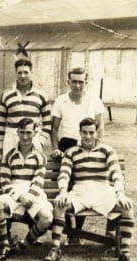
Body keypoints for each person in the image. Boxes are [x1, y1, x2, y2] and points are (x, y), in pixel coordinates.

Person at [45, 117, 137, 261]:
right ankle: (55, 248)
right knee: (59, 205)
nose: (88, 136)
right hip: (80, 190)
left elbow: (116, 174)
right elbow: (64, 174)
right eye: (85, 133)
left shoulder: (107, 150)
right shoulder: (71, 152)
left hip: (102, 189)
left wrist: (120, 193)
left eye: (91, 132)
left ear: (97, 133)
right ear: (79, 133)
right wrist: (62, 192)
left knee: (127, 207)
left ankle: (124, 253)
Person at [50, 67, 106, 245]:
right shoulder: (61, 101)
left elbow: (100, 126)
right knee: (67, 188)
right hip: (67, 146)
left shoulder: (93, 99)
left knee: (85, 187)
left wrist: (99, 146)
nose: (77, 85)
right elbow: (53, 128)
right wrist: (55, 148)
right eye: (74, 81)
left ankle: (77, 233)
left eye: (81, 81)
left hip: (86, 145)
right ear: (68, 82)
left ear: (85, 82)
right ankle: (70, 231)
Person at [0, 118, 53, 261]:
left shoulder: (40, 157)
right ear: (17, 133)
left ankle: (24, 244)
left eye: (29, 133)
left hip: (33, 192)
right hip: (14, 192)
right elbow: (5, 183)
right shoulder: (9, 156)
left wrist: (29, 196)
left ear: (35, 133)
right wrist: (20, 197)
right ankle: (5, 244)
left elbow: (38, 181)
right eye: (22, 132)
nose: (25, 137)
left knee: (47, 218)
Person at [0, 59, 51, 155]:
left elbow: (48, 123)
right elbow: (1, 122)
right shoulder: (6, 94)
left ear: (31, 72)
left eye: (26, 72)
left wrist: (41, 141)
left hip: (33, 137)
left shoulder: (41, 95)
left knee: (34, 167)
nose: (23, 76)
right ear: (16, 73)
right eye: (19, 72)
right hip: (11, 138)